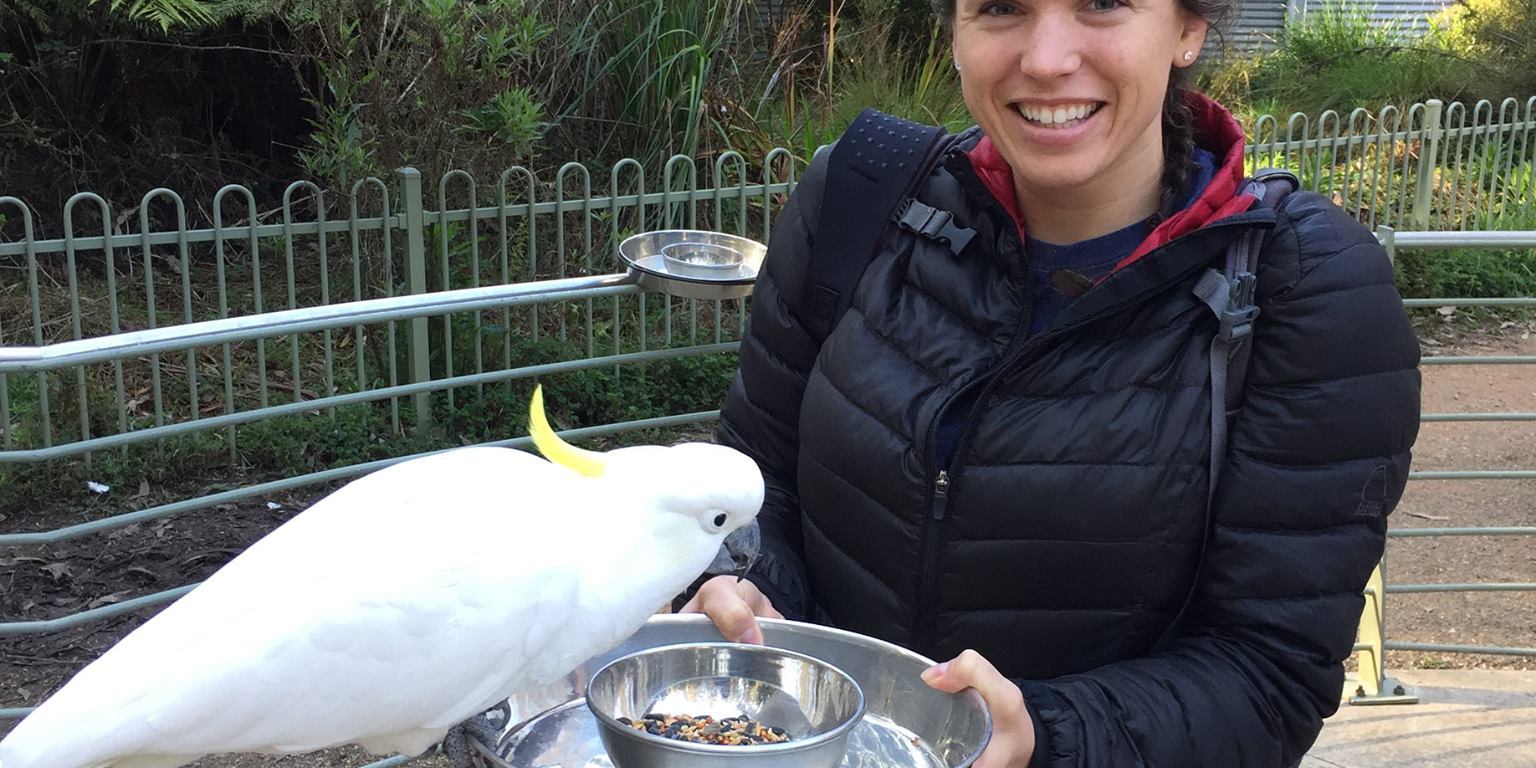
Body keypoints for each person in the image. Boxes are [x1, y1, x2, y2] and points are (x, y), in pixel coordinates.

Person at [682, 0, 1422, 766]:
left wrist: (1041, 734)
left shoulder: (1306, 288)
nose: (1045, 59)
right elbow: (759, 483)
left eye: (1101, 4)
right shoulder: (862, 196)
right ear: (956, 31)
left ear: (1188, 28)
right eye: (1001, 7)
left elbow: (1268, 676)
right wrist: (749, 586)